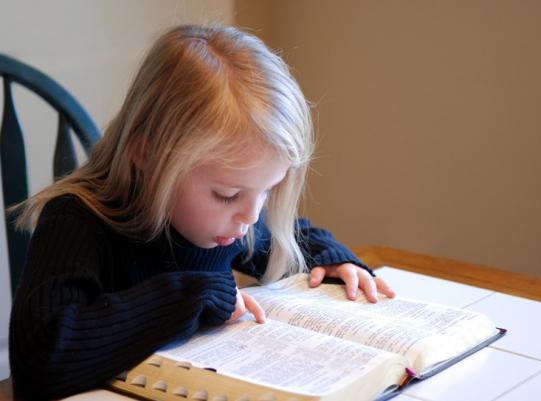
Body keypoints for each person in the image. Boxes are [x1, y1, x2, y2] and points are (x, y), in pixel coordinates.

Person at [8, 24, 395, 400]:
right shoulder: (77, 220)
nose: (249, 216)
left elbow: (287, 237)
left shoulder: (227, 222)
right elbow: (39, 360)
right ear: (147, 155)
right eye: (227, 194)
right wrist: (188, 297)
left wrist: (331, 259)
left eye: (267, 191)